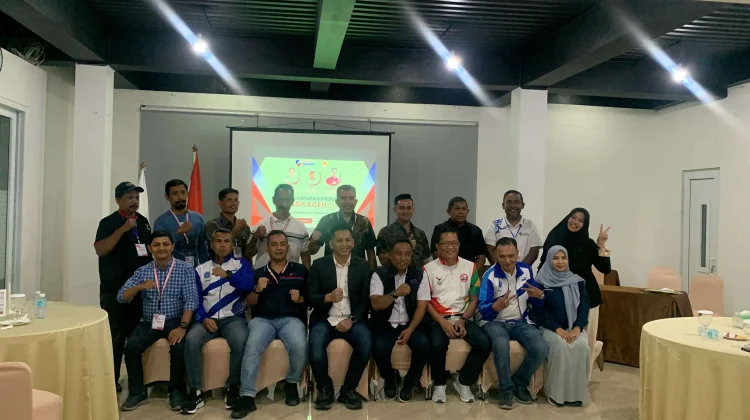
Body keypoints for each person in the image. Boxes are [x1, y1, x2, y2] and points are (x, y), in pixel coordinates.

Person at [117, 231, 199, 412]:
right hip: (149, 321)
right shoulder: (143, 271)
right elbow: (121, 296)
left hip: (175, 320)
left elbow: (191, 301)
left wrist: (183, 327)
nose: (161, 248)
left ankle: (176, 391)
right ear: (150, 248)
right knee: (131, 348)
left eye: (165, 244)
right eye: (156, 245)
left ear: (172, 246)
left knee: (178, 348)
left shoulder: (184, 269)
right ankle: (137, 392)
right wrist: (140, 286)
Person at [232, 230, 308, 418]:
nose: (279, 248)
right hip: (262, 320)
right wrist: (257, 289)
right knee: (252, 346)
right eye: (274, 244)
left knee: (299, 345)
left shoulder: (300, 271)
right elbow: (249, 303)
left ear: (288, 247)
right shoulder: (258, 273)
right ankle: (247, 395)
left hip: (291, 319)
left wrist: (300, 299)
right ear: (267, 249)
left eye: (282, 244)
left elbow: (310, 299)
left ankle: (291, 384)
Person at [182, 228, 256, 415]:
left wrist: (228, 275)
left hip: (233, 319)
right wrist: (203, 318)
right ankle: (196, 391)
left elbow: (249, 285)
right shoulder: (200, 269)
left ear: (232, 244)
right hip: (207, 319)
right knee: (191, 340)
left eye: (226, 241)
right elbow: (195, 299)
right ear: (211, 244)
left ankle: (232, 387)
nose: (222, 245)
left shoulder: (242, 264)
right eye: (218, 241)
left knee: (241, 340)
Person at [477, 237, 548, 410]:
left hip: (520, 321)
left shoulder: (526, 270)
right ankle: (505, 390)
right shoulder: (489, 276)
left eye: (511, 256)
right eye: (502, 256)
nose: (507, 260)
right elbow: (482, 309)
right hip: (494, 322)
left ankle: (519, 383)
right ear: (496, 255)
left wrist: (539, 296)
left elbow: (534, 298)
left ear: (518, 254)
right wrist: (495, 307)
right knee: (501, 345)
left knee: (541, 347)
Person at [94, 181, 152, 393]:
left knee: (137, 337)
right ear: (118, 200)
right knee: (116, 338)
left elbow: (148, 251)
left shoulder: (143, 222)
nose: (134, 201)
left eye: (136, 197)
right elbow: (101, 250)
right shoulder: (108, 222)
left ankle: (139, 381)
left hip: (140, 290)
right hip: (115, 290)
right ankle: (112, 380)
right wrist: (122, 230)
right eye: (129, 197)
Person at [308, 223, 373, 411]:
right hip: (325, 318)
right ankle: (325, 388)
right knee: (315, 346)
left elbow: (365, 300)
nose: (344, 244)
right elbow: (310, 296)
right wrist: (327, 297)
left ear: (353, 242)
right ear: (331, 243)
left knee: (366, 342)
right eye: (339, 241)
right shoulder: (319, 265)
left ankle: (349, 390)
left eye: (347, 240)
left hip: (352, 319)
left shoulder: (362, 266)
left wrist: (351, 320)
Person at [423, 226, 491, 404]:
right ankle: (439, 384)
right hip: (438, 318)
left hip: (463, 316)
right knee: (437, 344)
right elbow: (426, 302)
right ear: (437, 246)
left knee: (484, 343)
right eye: (446, 243)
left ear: (459, 245)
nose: (450, 247)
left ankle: (464, 382)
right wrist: (443, 323)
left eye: (454, 243)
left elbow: (474, 299)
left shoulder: (470, 267)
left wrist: (463, 319)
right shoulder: (428, 269)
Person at [370, 238, 430, 402]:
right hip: (386, 323)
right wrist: (395, 293)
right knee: (379, 347)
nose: (403, 258)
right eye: (398, 254)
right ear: (390, 255)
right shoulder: (380, 274)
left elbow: (422, 306)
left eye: (407, 254)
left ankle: (409, 382)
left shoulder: (419, 274)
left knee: (423, 346)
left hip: (411, 324)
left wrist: (410, 330)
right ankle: (390, 378)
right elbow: (376, 304)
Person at [531, 245, 590, 407]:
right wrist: (557, 329)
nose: (560, 262)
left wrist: (577, 328)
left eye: (564, 258)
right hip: (549, 328)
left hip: (573, 328)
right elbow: (539, 312)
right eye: (556, 258)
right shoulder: (540, 283)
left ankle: (576, 395)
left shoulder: (577, 281)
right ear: (549, 260)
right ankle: (555, 394)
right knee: (560, 345)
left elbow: (584, 307)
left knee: (581, 345)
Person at [308, 185, 377, 270]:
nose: (347, 202)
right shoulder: (326, 221)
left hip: (359, 271)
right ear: (337, 202)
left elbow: (371, 253)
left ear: (355, 201)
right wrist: (312, 242)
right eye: (343, 198)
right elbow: (312, 251)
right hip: (331, 270)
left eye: (351, 198)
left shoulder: (364, 222)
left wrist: (372, 274)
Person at [247, 184, 311, 269]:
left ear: (292, 201)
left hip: (291, 275)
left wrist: (308, 276)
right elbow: (248, 254)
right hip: (263, 275)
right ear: (274, 200)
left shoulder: (300, 227)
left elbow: (305, 257)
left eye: (287, 200)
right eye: (281, 200)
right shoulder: (261, 224)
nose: (284, 204)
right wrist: (255, 237)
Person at [154, 179, 209, 268]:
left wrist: (206, 268)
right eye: (175, 194)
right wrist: (178, 232)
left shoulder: (198, 218)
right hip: (170, 270)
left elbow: (203, 247)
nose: (180, 197)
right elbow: (159, 249)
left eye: (183, 192)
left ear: (187, 194)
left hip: (195, 269)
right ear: (167, 197)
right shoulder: (161, 221)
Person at [484, 190, 542, 265]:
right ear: (503, 205)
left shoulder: (530, 226)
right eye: (509, 202)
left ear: (523, 205)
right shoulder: (494, 225)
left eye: (516, 202)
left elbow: (534, 252)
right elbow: (490, 250)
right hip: (499, 270)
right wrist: (502, 268)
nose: (512, 205)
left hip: (523, 270)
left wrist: (520, 269)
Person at [376, 193, 431, 267]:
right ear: (395, 210)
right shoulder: (385, 232)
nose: (405, 211)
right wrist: (405, 247)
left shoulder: (420, 233)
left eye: (409, 208)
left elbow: (425, 261)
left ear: (413, 210)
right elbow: (383, 260)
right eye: (402, 208)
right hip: (393, 274)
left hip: (417, 274)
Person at [430, 197, 486, 268]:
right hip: (445, 270)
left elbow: (481, 257)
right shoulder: (440, 229)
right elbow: (436, 253)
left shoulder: (476, 230)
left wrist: (471, 272)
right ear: (448, 211)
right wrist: (451, 271)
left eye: (464, 209)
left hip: (470, 271)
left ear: (468, 211)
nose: (461, 212)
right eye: (457, 209)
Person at [204, 188, 252, 260]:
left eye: (236, 200)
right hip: (220, 264)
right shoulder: (212, 225)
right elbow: (215, 249)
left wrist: (255, 237)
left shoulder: (244, 226)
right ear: (220, 203)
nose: (233, 203)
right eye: (229, 200)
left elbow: (249, 253)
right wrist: (236, 230)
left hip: (241, 265)